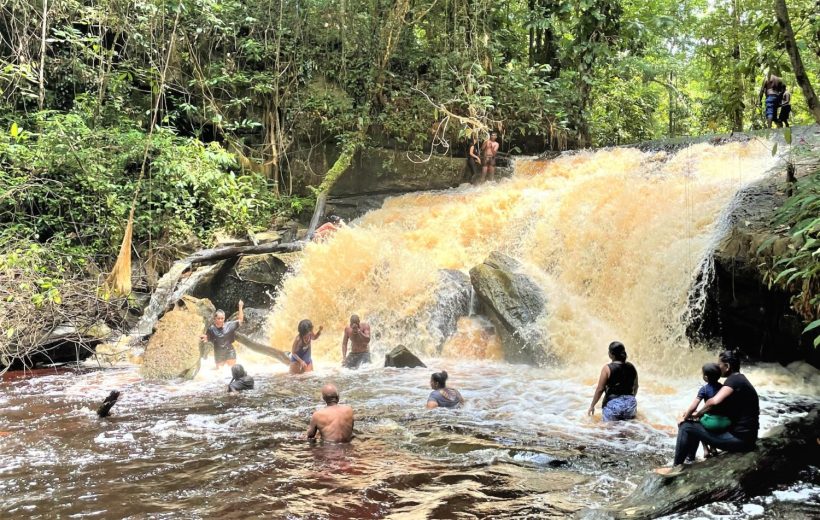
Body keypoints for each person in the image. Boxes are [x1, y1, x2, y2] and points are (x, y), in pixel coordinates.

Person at [662, 350, 759, 471]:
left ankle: (675, 468)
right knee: (697, 424)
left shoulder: (732, 381)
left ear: (727, 366)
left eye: (719, 365)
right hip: (748, 437)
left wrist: (697, 414)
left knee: (686, 426)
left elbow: (713, 402)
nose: (718, 367)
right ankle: (690, 460)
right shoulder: (740, 379)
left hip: (740, 440)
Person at [678, 363, 731, 460]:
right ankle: (713, 448)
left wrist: (684, 418)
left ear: (706, 377)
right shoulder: (723, 388)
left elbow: (693, 407)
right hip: (725, 422)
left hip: (712, 423)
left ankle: (706, 449)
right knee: (705, 416)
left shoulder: (704, 389)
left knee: (698, 419)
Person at [588, 341, 639, 421]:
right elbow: (636, 386)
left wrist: (592, 405)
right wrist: (629, 400)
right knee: (628, 429)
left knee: (609, 430)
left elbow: (600, 389)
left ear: (611, 354)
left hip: (613, 405)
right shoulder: (632, 367)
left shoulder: (607, 369)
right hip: (630, 404)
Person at [201, 300, 244, 369]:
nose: (220, 320)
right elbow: (207, 337)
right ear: (215, 319)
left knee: (232, 371)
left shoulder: (230, 325)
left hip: (230, 351)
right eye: (219, 318)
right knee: (220, 373)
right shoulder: (211, 329)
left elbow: (240, 320)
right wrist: (204, 338)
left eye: (222, 318)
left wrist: (240, 307)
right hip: (219, 353)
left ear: (224, 318)